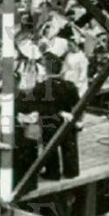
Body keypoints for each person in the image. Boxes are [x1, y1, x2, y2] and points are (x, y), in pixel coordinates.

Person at [20, 51, 80, 180]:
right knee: (69, 145)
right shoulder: (69, 86)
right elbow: (77, 102)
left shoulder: (41, 87)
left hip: (50, 120)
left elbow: (33, 105)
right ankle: (72, 170)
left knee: (50, 147)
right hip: (67, 118)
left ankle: (53, 173)